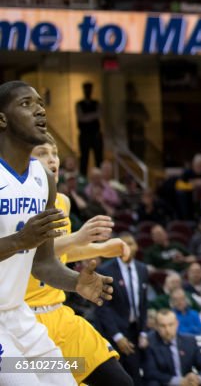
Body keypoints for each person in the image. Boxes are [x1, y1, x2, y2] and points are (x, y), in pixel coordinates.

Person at [0, 80, 113, 386]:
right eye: (26, 104)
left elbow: (43, 263)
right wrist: (20, 241)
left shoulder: (43, 180)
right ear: (2, 119)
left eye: (40, 103)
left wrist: (78, 283)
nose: (39, 110)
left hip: (19, 316)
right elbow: (24, 244)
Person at [25, 135, 133, 386]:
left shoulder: (62, 201)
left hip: (60, 318)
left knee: (118, 381)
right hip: (24, 325)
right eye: (42, 153)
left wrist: (102, 248)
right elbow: (27, 253)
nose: (52, 159)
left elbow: (57, 255)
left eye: (54, 153)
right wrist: (78, 238)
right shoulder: (13, 203)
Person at [96, 233, 150, 385]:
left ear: (136, 246)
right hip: (113, 332)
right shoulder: (105, 270)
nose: (126, 247)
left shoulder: (142, 269)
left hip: (135, 331)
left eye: (130, 243)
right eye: (122, 244)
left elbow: (144, 303)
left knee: (136, 378)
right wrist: (117, 336)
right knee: (116, 379)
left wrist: (144, 331)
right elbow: (102, 308)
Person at [142, 309, 201, 386]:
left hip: (189, 383)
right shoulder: (150, 342)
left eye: (170, 325)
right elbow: (150, 372)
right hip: (166, 383)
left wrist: (198, 379)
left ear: (177, 324)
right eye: (163, 326)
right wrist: (179, 381)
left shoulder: (189, 341)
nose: (167, 330)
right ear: (156, 327)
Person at [75, 81, 103, 174]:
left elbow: (99, 114)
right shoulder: (79, 104)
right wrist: (93, 115)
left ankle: (100, 177)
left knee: (99, 158)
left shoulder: (96, 103)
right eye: (86, 89)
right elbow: (81, 118)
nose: (88, 91)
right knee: (84, 158)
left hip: (95, 134)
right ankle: (83, 177)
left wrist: (87, 116)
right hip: (84, 135)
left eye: (89, 89)